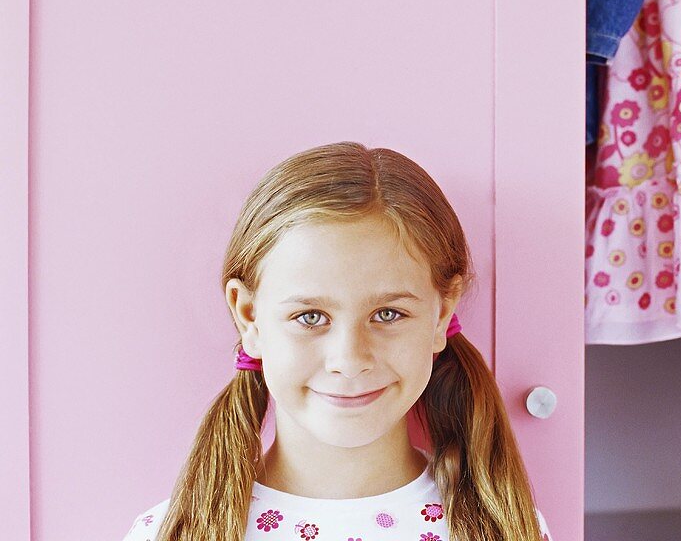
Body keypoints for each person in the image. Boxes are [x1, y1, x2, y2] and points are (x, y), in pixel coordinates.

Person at [120, 142, 552, 541]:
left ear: (441, 312)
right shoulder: (164, 533)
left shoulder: (508, 530)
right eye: (310, 317)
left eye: (388, 314)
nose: (349, 360)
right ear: (249, 315)